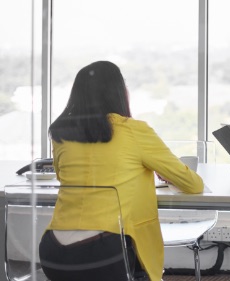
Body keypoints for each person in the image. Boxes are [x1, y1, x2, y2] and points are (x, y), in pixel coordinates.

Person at [38, 61, 204, 281]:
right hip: (106, 255)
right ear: (119, 92)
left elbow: (64, 177)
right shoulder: (134, 130)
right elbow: (193, 185)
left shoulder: (61, 133)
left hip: (54, 253)